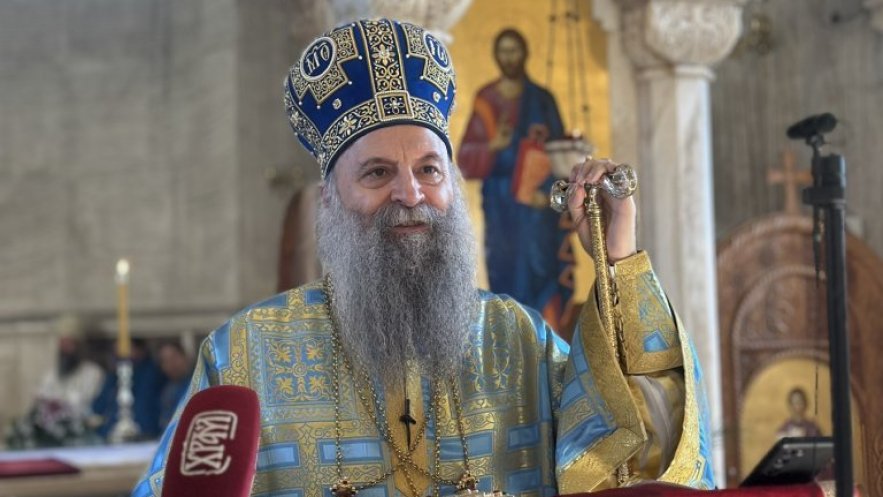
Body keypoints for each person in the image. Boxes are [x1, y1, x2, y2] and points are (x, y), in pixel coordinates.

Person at [133, 18, 713, 497]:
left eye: (429, 170)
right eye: (377, 173)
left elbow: (641, 459)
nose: (410, 194)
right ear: (330, 199)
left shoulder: (517, 339)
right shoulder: (245, 355)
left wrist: (616, 260)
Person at [458, 29, 574, 329]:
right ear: (496, 56)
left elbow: (561, 156)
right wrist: (493, 145)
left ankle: (549, 341)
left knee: (543, 273)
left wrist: (546, 194)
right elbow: (465, 160)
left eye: (514, 50)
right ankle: (512, 340)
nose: (509, 58)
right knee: (506, 277)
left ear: (525, 53)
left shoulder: (542, 100)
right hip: (501, 211)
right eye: (503, 51)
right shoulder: (486, 100)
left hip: (537, 213)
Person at [92, 338, 166, 439]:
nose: (120, 354)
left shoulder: (151, 374)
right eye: (115, 350)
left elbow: (144, 406)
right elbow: (99, 407)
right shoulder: (113, 377)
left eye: (126, 348)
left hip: (144, 433)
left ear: (140, 350)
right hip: (111, 433)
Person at [156, 340, 193, 430]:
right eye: (165, 361)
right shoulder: (167, 390)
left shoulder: (200, 383)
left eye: (174, 357)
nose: (171, 364)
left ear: (185, 357)